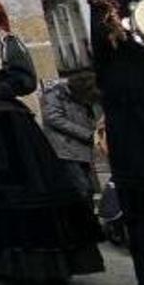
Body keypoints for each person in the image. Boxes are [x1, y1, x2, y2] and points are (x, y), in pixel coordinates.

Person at [0, 0, 102, 281]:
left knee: (15, 191)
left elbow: (24, 82)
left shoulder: (5, 42)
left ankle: (30, 259)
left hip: (5, 128)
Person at [65, 0, 144, 283]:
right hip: (125, 118)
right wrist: (104, 120)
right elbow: (103, 65)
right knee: (139, 207)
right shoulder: (98, 2)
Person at [40, 71, 99, 206]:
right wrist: (86, 133)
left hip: (80, 148)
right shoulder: (55, 94)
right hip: (65, 150)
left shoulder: (78, 97)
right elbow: (53, 118)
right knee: (81, 188)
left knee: (88, 188)